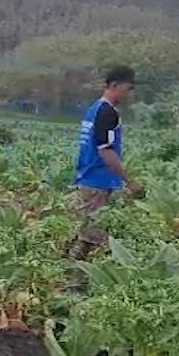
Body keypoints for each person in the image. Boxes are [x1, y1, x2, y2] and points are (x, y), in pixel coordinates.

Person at [68, 65, 143, 259]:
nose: (129, 94)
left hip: (89, 178)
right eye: (128, 89)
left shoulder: (94, 109)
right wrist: (129, 181)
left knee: (88, 233)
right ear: (115, 85)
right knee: (95, 238)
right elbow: (106, 152)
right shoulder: (107, 113)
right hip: (99, 182)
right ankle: (75, 282)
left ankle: (70, 272)